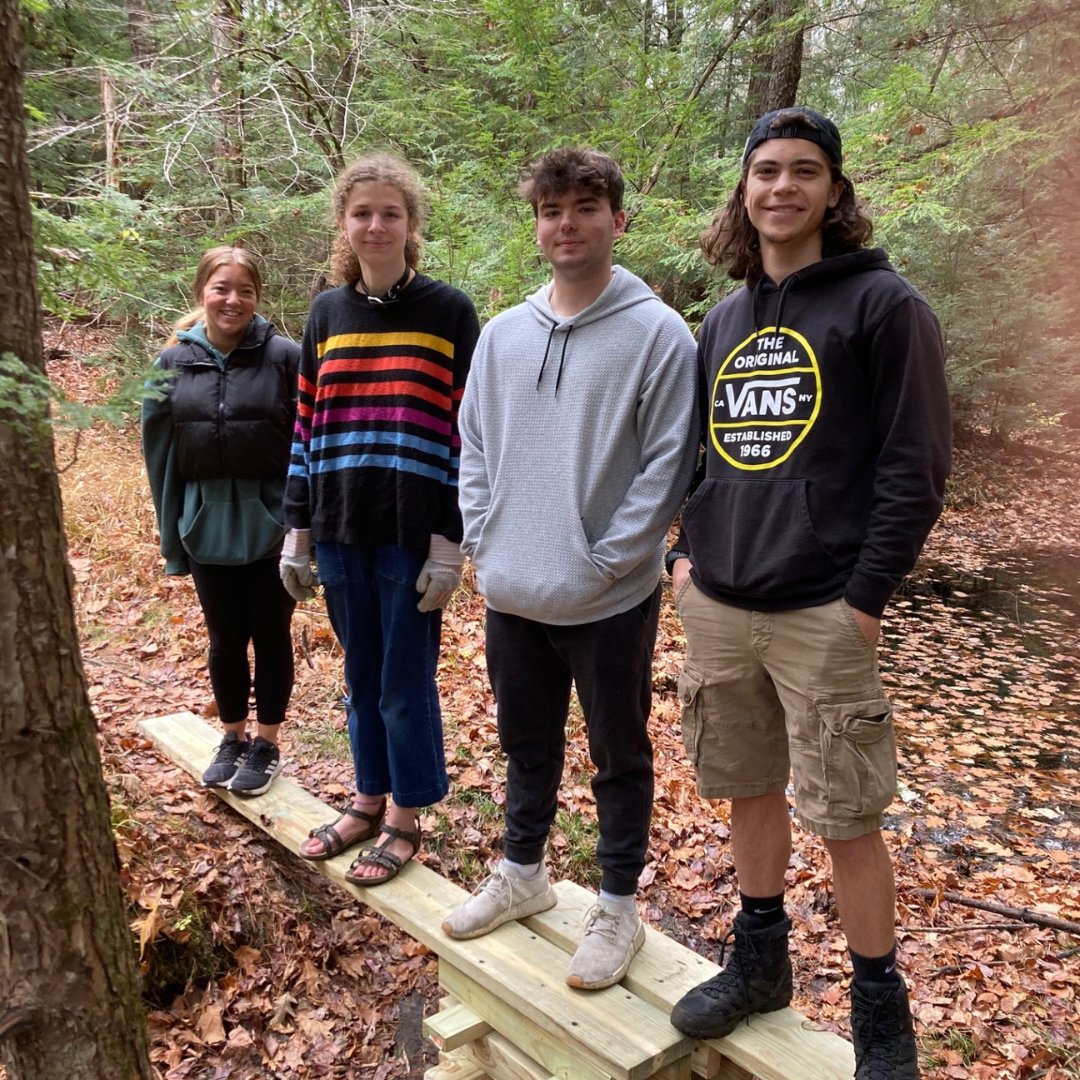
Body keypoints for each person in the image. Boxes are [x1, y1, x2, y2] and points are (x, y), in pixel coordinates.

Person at [665, 108, 951, 1078]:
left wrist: (864, 597)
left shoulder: (883, 307)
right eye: (766, 173)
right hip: (723, 604)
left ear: (835, 191)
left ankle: (881, 1016)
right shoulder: (726, 319)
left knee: (847, 814)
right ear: (745, 192)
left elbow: (916, 467)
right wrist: (682, 559)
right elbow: (700, 456)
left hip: (826, 609)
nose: (781, 188)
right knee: (748, 790)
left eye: (803, 172)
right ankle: (760, 963)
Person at [441, 148, 698, 991]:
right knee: (525, 744)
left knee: (617, 752)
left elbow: (668, 465)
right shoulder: (504, 335)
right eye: (552, 210)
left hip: (608, 597)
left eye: (585, 208)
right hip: (513, 586)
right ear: (538, 224)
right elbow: (472, 444)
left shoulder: (659, 334)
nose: (566, 224)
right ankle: (523, 874)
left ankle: (618, 907)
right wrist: (483, 535)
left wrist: (605, 560)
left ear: (618, 221)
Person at [283, 153, 479, 887]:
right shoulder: (326, 314)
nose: (375, 224)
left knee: (404, 680)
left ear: (411, 224)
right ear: (344, 223)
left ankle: (405, 816)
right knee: (360, 675)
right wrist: (295, 530)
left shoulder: (449, 311)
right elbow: (305, 425)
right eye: (362, 212)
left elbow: (469, 434)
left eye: (390, 212)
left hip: (410, 525)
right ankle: (366, 799)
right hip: (338, 524)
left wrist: (450, 541)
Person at [143, 246, 301, 796]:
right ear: (202, 293)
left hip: (273, 528)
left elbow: (311, 448)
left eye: (245, 291)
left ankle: (266, 744)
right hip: (204, 525)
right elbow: (159, 457)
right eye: (221, 288)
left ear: (258, 298)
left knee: (271, 635)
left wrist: (306, 529)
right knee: (224, 639)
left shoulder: (286, 357)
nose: (233, 300)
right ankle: (231, 736)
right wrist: (172, 537)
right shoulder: (169, 364)